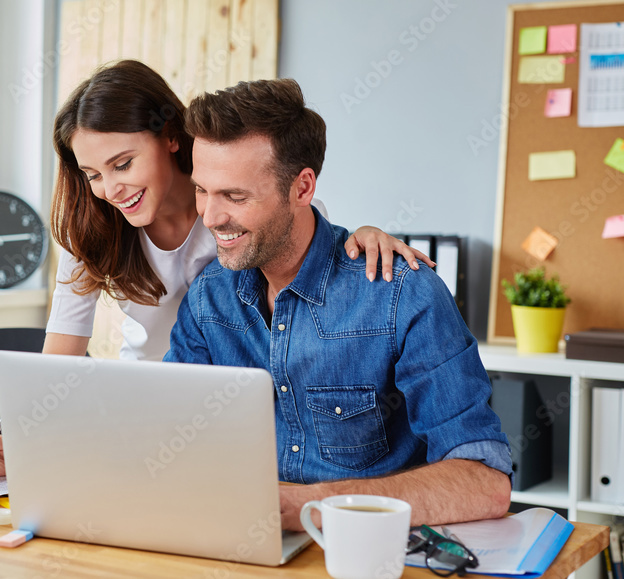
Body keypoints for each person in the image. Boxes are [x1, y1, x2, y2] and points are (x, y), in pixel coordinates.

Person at [165, 77, 511, 530]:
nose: (210, 217)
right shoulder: (209, 298)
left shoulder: (401, 293)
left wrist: (309, 507)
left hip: (368, 548)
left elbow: (483, 482)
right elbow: (173, 441)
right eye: (201, 190)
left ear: (303, 188)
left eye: (235, 196)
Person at [43, 59, 431, 362]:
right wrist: (15, 438)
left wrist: (364, 234)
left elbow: (318, 256)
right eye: (92, 174)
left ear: (170, 138)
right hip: (151, 387)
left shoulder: (250, 212)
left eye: (123, 164)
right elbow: (58, 358)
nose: (110, 190)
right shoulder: (94, 229)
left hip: (241, 389)